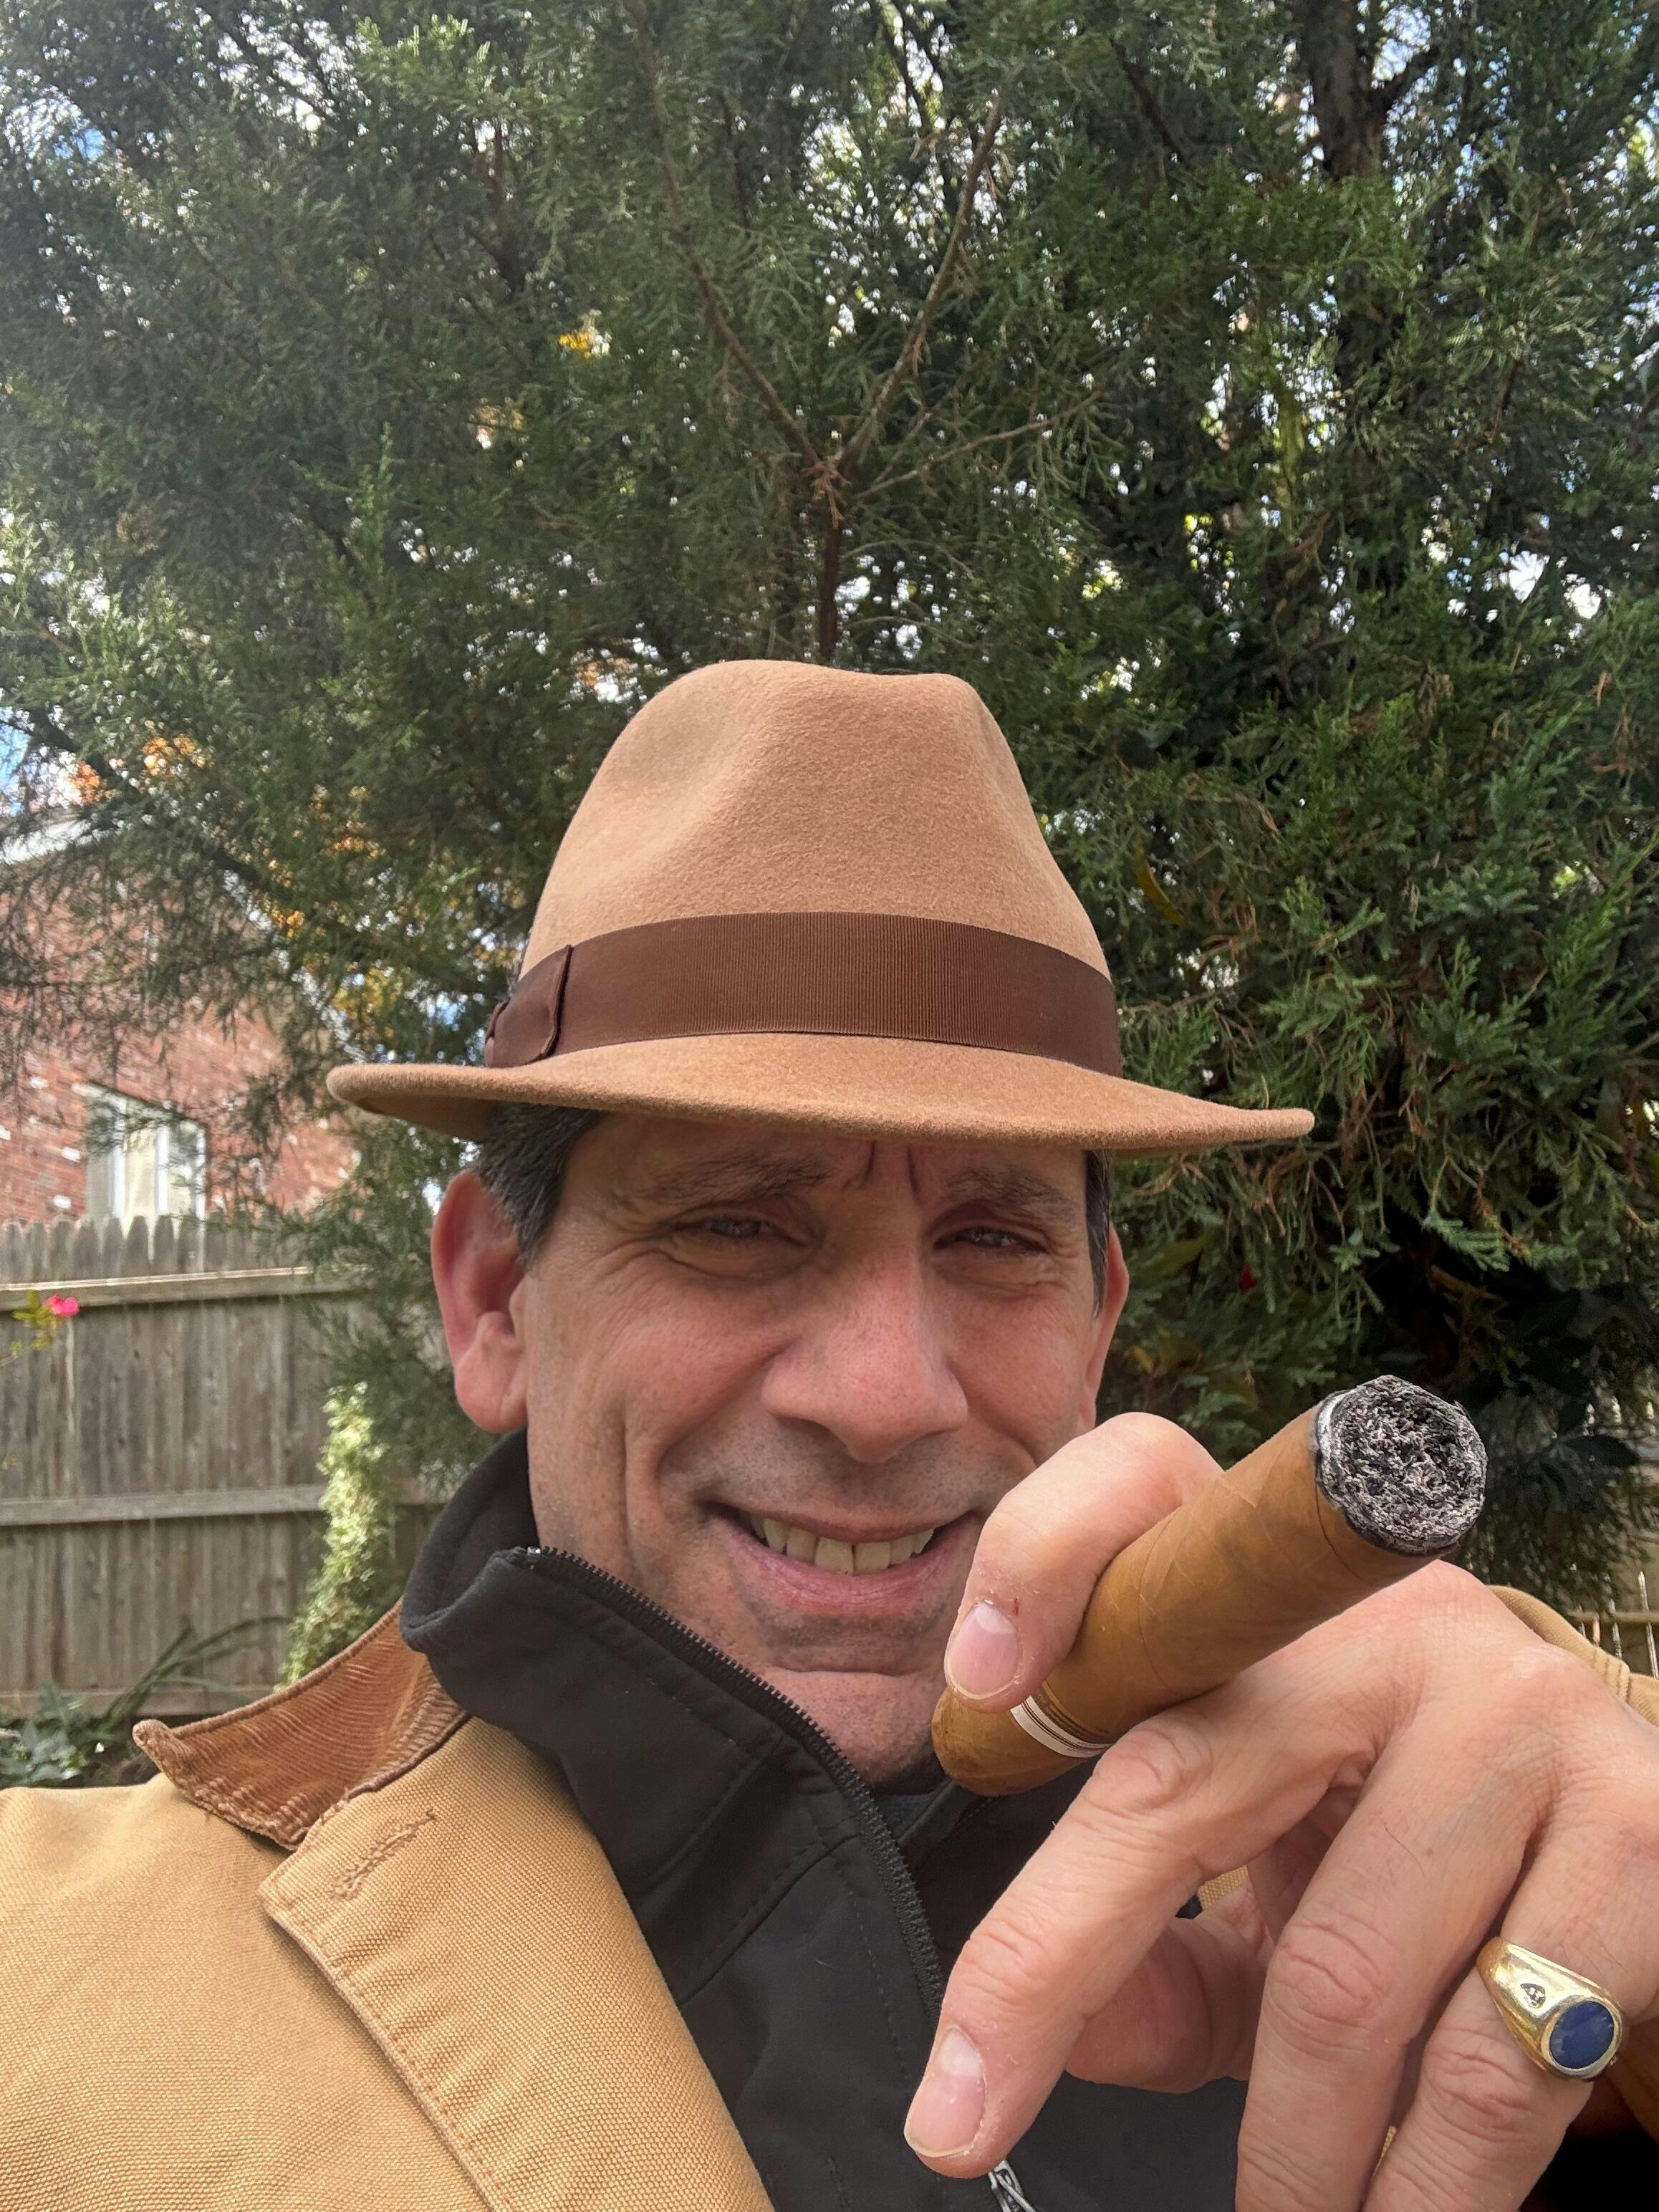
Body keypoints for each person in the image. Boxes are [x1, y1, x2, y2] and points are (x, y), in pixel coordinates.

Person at [3, 660, 1656, 2212]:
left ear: (1095, 1321)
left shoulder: (1483, 1842)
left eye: (994, 1238)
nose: (883, 1394)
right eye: (736, 1223)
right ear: (496, 1299)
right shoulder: (48, 1992)